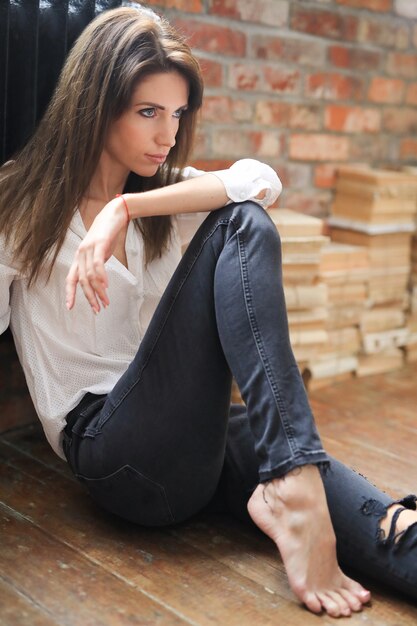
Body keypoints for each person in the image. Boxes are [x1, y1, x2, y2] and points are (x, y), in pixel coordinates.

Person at [1, 4, 417, 618]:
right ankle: (294, 488)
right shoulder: (20, 200)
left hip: (199, 439)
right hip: (116, 453)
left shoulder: (163, 195)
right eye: (148, 111)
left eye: (177, 114)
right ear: (94, 103)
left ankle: (299, 488)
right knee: (243, 227)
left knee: (386, 525)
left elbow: (261, 178)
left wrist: (126, 210)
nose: (167, 133)